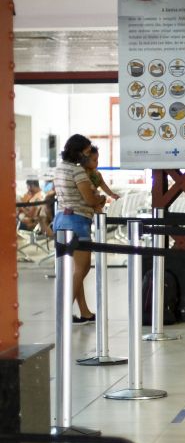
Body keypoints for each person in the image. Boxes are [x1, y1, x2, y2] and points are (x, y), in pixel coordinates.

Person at [53, 134, 107, 325]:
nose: (87, 156)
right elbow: (89, 200)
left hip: (61, 220)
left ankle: (84, 312)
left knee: (76, 270)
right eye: (85, 152)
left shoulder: (59, 169)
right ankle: (64, 310)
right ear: (77, 152)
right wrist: (101, 199)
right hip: (77, 222)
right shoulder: (77, 172)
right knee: (82, 269)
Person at [83, 146, 120, 210]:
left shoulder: (97, 174)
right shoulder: (82, 173)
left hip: (96, 200)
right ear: (85, 161)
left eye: (97, 159)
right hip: (87, 201)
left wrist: (111, 194)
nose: (97, 162)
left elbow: (102, 184)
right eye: (94, 160)